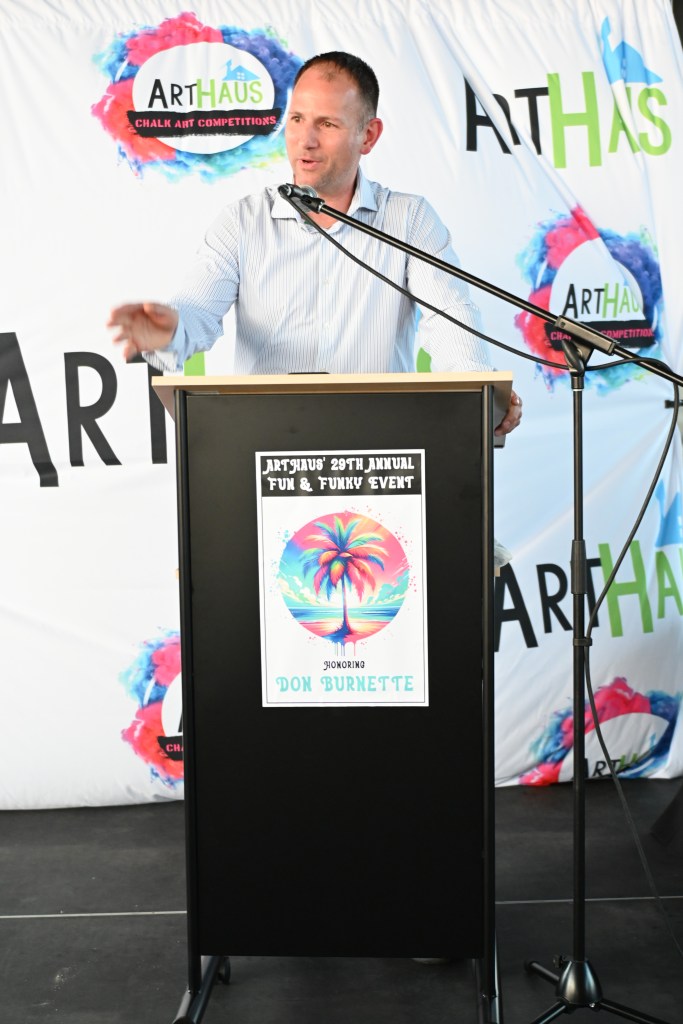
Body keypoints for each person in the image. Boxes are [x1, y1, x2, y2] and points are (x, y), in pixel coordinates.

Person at [108, 50, 522, 437]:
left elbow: (450, 318)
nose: (305, 140)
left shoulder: (409, 220)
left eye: (327, 124)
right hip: (267, 450)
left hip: (381, 451)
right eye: (296, 119)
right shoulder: (242, 223)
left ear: (368, 136)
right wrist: (169, 330)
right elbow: (195, 313)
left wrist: (480, 396)